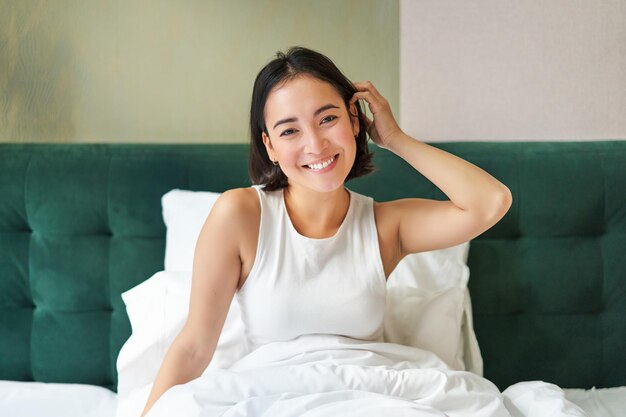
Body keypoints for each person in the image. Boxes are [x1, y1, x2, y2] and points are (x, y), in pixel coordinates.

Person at [140, 46, 512, 416]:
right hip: (271, 394)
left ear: (355, 120)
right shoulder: (240, 214)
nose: (315, 144)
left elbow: (490, 203)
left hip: (372, 394)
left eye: (327, 119)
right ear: (269, 145)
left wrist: (394, 137)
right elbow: (194, 346)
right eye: (289, 130)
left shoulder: (386, 226)